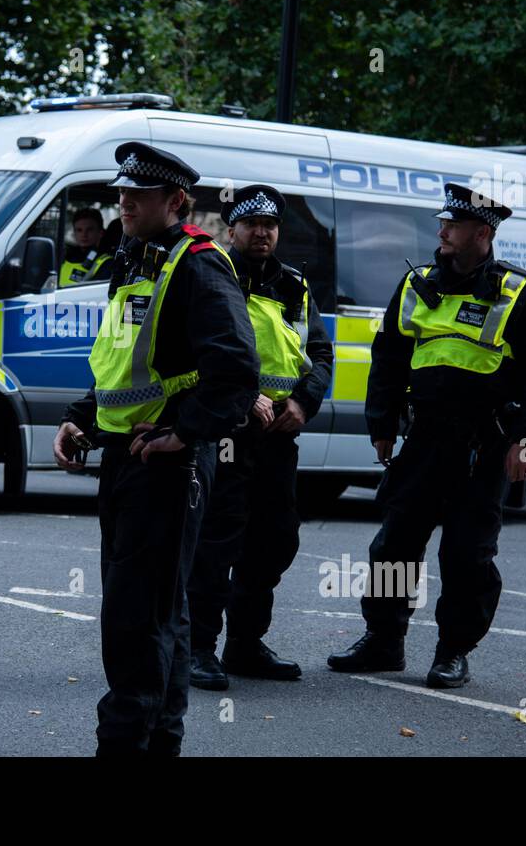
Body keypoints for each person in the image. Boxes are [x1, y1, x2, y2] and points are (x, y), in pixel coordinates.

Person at [53, 142, 258, 756]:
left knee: (134, 619)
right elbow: (124, 363)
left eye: (137, 196)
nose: (124, 202)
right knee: (156, 612)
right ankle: (159, 743)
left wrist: (186, 432)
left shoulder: (196, 264)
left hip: (164, 467)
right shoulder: (135, 259)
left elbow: (237, 370)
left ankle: (123, 746)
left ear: (175, 202)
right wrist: (82, 417)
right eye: (121, 193)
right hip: (125, 459)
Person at [327, 183, 526, 688]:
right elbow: (389, 356)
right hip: (425, 440)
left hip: (485, 446)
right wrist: (382, 423)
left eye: (452, 227)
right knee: (394, 545)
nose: (441, 233)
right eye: (442, 225)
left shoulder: (521, 292)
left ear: (482, 232)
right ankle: (383, 641)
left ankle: (453, 650)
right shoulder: (416, 285)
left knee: (467, 555)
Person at [188, 185, 333, 690]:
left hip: (277, 437)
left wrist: (302, 402)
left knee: (274, 540)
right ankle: (198, 648)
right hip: (226, 433)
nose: (263, 233)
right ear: (232, 230)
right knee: (216, 541)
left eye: (270, 225)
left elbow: (320, 355)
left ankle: (245, 644)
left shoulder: (295, 285)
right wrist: (241, 395)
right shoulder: (211, 276)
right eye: (252, 225)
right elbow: (196, 350)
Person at [59, 207, 113, 285]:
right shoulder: (64, 256)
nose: (84, 235)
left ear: (101, 233)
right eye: (79, 230)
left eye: (90, 230)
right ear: (74, 233)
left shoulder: (106, 263)